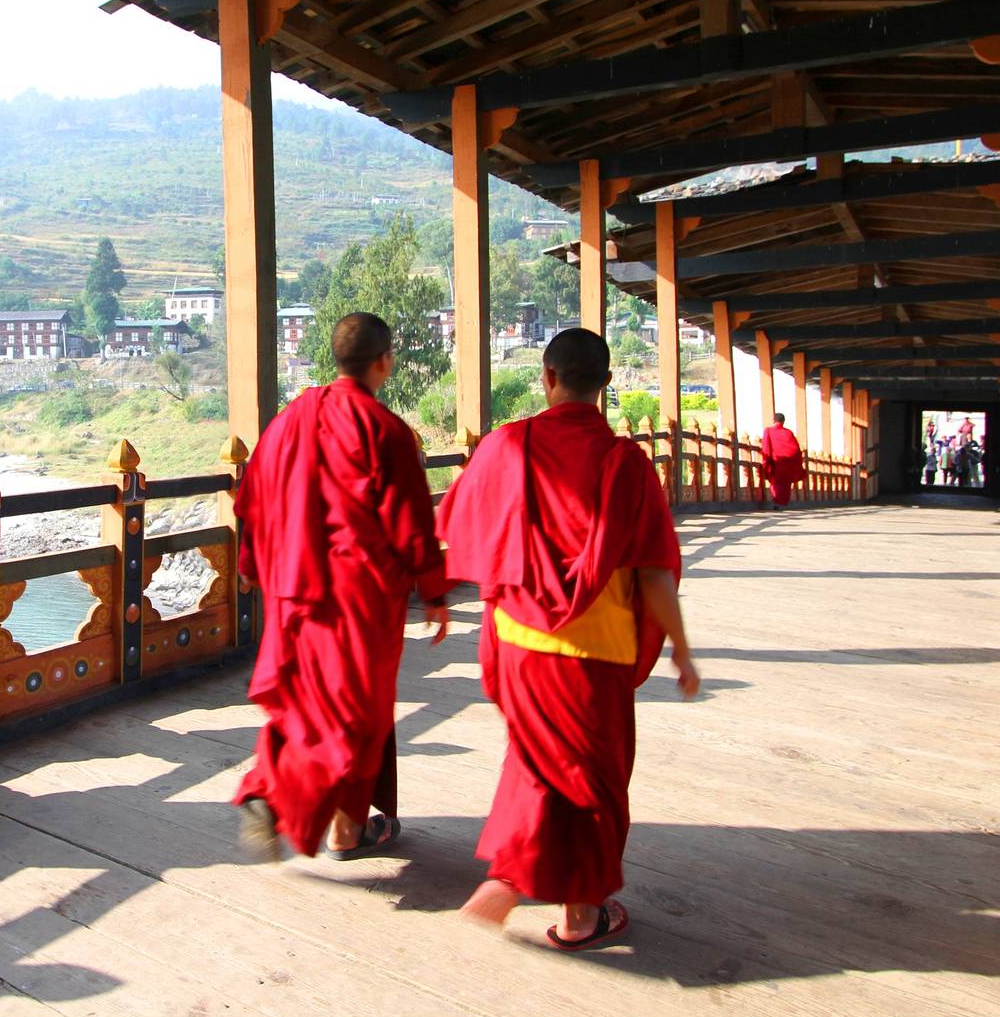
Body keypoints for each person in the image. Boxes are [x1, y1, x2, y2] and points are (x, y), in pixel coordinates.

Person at [436, 328, 699, 950]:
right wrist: (682, 651)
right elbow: (655, 571)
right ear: (605, 386)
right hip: (596, 649)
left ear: (547, 378)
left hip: (521, 642)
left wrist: (436, 592)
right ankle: (579, 914)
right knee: (595, 780)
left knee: (535, 761)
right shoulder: (626, 463)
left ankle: (514, 866)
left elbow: (457, 528)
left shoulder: (506, 445)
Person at [233, 312, 451, 863]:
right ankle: (302, 807)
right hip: (360, 596)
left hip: (294, 589)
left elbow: (253, 497)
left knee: (305, 700)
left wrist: (250, 563)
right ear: (384, 361)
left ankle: (313, 811)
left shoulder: (288, 421)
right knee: (358, 713)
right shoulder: (385, 429)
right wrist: (435, 589)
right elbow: (410, 519)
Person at [759, 411, 805, 508]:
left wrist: (766, 461)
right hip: (789, 462)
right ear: (783, 421)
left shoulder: (768, 430)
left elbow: (766, 447)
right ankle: (783, 503)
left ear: (773, 420)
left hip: (777, 461)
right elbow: (796, 449)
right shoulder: (789, 432)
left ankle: (777, 502)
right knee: (786, 483)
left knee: (776, 482)